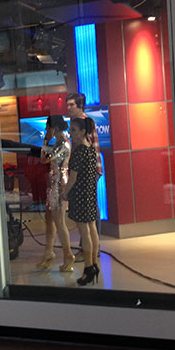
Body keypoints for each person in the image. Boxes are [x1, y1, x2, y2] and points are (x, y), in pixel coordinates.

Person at [62, 117, 100, 286]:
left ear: (83, 131)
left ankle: (88, 268)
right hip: (90, 194)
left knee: (85, 233)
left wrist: (65, 193)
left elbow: (73, 178)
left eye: (74, 130)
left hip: (80, 195)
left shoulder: (78, 152)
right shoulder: (90, 149)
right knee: (92, 229)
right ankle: (94, 265)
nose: (71, 133)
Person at [37, 115, 76, 272]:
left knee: (59, 221)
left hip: (59, 184)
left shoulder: (63, 144)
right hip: (54, 183)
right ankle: (49, 253)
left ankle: (68, 255)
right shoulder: (60, 143)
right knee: (49, 219)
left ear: (56, 128)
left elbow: (44, 159)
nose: (47, 130)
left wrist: (45, 141)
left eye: (49, 127)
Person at [66, 92, 102, 262]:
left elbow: (86, 149)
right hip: (88, 170)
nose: (68, 108)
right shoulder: (79, 122)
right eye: (68, 104)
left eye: (72, 104)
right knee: (89, 215)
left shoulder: (83, 123)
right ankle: (90, 253)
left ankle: (89, 252)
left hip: (87, 171)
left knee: (87, 215)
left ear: (80, 105)